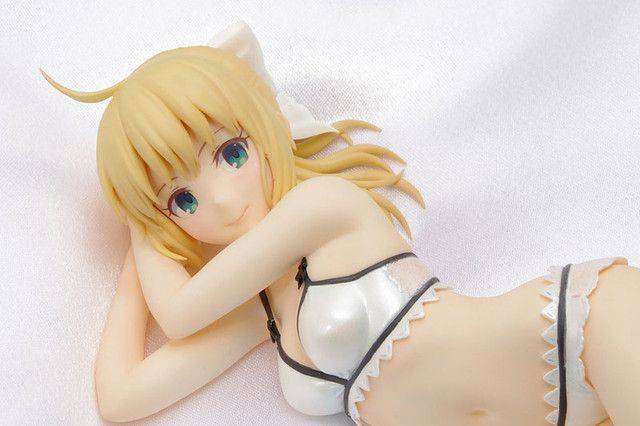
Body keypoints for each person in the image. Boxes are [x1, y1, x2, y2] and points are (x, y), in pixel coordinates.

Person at [43, 22, 639, 426]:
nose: (221, 202)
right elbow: (122, 397)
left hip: (575, 338)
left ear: (266, 129)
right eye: (184, 200)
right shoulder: (264, 313)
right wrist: (142, 226)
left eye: (231, 154)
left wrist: (150, 211)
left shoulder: (322, 206)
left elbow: (178, 312)